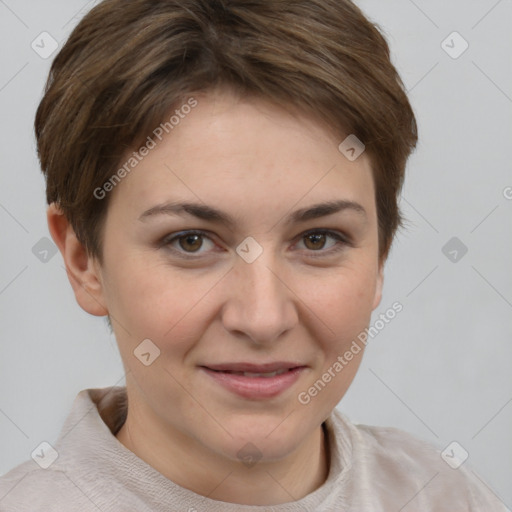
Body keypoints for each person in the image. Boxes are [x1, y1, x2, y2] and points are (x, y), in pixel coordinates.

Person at [0, 0, 507, 510]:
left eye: (318, 239)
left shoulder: (447, 496)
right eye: (191, 241)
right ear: (83, 260)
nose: (262, 319)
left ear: (379, 259)